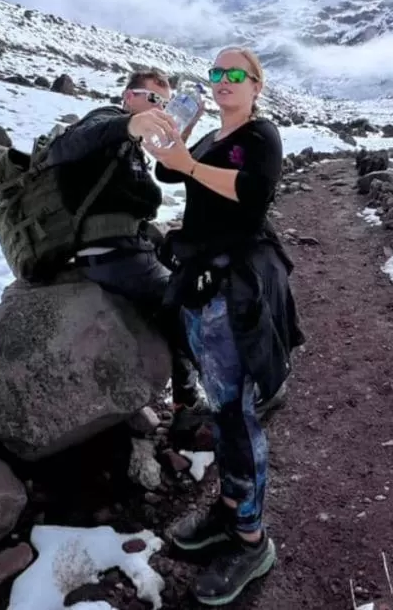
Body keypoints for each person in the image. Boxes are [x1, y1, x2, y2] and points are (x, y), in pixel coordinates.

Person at [145, 45, 303, 606]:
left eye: (236, 73)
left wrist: (187, 164)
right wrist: (168, 136)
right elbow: (168, 169)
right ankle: (229, 509)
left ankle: (252, 539)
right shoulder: (211, 139)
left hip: (235, 291)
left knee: (238, 416)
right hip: (200, 286)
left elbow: (252, 195)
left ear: (256, 85)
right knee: (222, 409)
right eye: (216, 73)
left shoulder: (261, 137)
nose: (223, 80)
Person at [47, 67, 204, 414]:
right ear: (129, 97)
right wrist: (129, 125)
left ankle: (185, 396)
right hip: (109, 254)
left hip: (127, 248)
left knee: (184, 282)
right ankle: (203, 396)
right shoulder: (107, 121)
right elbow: (61, 148)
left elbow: (167, 174)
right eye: (152, 99)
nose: (158, 107)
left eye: (164, 102)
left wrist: (180, 130)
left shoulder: (130, 146)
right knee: (184, 300)